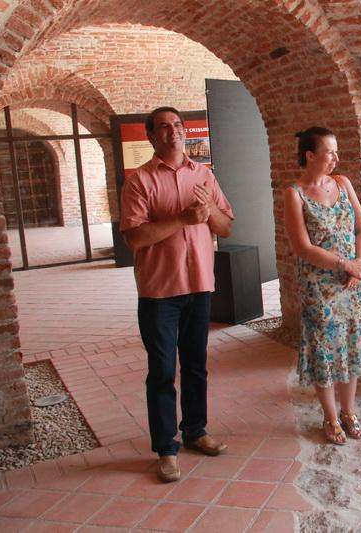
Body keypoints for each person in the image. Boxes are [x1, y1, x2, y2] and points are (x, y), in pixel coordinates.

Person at [120, 107, 234, 482]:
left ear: (185, 131)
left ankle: (195, 432)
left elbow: (225, 227)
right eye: (164, 127)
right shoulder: (139, 181)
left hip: (199, 286)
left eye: (177, 125)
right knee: (163, 370)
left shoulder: (204, 175)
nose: (173, 131)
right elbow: (135, 237)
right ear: (152, 136)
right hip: (159, 292)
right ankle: (166, 449)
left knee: (196, 365)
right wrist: (183, 219)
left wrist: (209, 210)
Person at [284, 126, 361, 445]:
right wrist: (344, 264)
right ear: (310, 156)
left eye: (337, 152)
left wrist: (358, 264)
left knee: (350, 345)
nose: (336, 158)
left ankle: (349, 411)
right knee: (324, 350)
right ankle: (330, 416)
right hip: (319, 288)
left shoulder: (342, 183)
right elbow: (302, 248)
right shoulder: (294, 194)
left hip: (352, 283)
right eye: (329, 152)